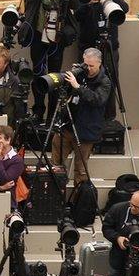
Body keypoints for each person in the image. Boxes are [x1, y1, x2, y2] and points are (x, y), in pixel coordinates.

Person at [23, 0, 77, 121]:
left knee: (55, 76)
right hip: (38, 36)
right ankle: (39, 111)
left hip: (56, 39)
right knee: (38, 74)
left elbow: (75, 5)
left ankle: (52, 115)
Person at [50, 48, 111, 185]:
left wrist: (78, 87)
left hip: (86, 132)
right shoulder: (80, 74)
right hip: (67, 127)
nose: (88, 68)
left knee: (81, 171)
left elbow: (97, 100)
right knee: (55, 165)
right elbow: (65, 93)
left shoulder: (104, 81)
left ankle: (78, 201)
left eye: (91, 66)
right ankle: (56, 193)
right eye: (86, 65)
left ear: (99, 64)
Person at [0, 125, 25, 209]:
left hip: (8, 202)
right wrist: (0, 187)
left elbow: (5, 179)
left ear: (8, 140)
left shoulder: (17, 160)